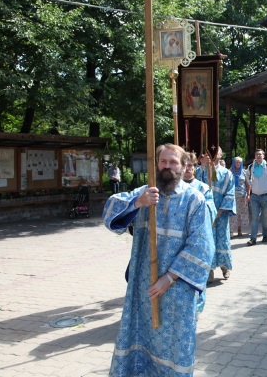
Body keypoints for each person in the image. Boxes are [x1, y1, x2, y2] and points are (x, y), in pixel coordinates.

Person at [103, 143, 215, 376]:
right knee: (141, 339)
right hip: (144, 289)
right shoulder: (146, 193)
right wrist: (137, 203)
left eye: (173, 162)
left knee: (175, 348)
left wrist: (168, 278)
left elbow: (202, 246)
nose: (167, 166)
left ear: (184, 166)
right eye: (163, 161)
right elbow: (109, 213)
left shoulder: (194, 200)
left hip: (178, 291)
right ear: (156, 164)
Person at [182, 151, 216, 311]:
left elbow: (211, 210)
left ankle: (196, 308)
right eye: (185, 165)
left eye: (191, 165)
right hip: (178, 240)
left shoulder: (203, 188)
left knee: (195, 276)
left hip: (196, 238)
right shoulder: (172, 188)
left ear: (195, 167)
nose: (188, 169)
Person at [208, 147, 236, 281]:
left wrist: (218, 212)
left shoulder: (226, 174)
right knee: (208, 241)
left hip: (221, 214)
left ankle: (224, 267)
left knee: (222, 241)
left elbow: (230, 194)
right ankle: (209, 270)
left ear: (220, 154)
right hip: (205, 215)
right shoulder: (201, 171)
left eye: (217, 151)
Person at [245, 149, 267, 246]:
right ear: (255, 156)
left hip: (266, 196)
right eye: (257, 154)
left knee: (265, 217)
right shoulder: (251, 167)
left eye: (260, 154)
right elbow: (246, 175)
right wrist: (249, 182)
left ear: (263, 156)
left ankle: (265, 235)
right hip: (254, 196)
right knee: (255, 217)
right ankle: (253, 238)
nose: (258, 156)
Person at [229, 156, 249, 237]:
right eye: (236, 162)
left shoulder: (244, 172)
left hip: (242, 196)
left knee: (240, 213)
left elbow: (248, 184)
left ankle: (239, 230)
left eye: (239, 162)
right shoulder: (230, 172)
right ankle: (231, 231)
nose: (238, 164)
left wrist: (248, 194)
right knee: (232, 214)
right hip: (232, 196)